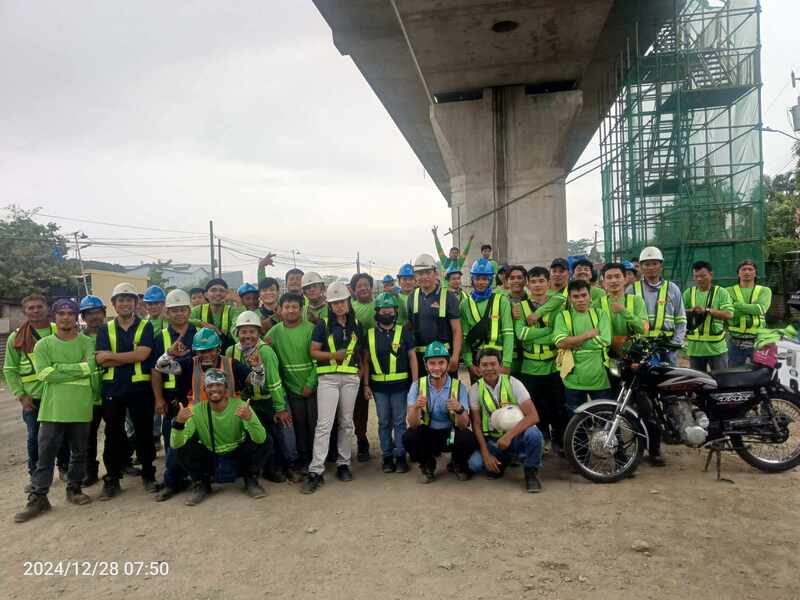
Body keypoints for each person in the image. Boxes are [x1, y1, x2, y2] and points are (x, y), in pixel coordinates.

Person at [14, 299, 97, 523]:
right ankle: (39, 497)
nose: (66, 317)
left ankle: (74, 489)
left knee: (79, 452)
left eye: (70, 313)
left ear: (76, 317)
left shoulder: (87, 342)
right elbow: (44, 374)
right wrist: (77, 368)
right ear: (54, 317)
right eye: (61, 313)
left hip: (80, 406)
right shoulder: (43, 345)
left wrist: (58, 367)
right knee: (45, 455)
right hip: (52, 408)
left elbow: (91, 368)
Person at [171, 369, 269, 505]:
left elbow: (261, 439)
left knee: (267, 439)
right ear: (205, 390)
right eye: (210, 386)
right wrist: (179, 424)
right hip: (211, 455)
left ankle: (251, 478)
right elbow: (176, 445)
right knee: (182, 447)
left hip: (238, 454)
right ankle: (201, 483)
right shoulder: (196, 410)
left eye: (219, 385)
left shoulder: (241, 406)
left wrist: (249, 419)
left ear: (226, 388)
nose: (214, 389)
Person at [95, 282, 155, 500]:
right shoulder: (105, 329)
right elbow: (101, 360)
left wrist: (113, 356)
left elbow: (143, 355)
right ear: (114, 303)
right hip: (113, 389)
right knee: (113, 435)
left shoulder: (145, 326)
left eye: (129, 299)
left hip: (140, 388)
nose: (125, 303)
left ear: (135, 303)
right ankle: (112, 478)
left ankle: (148, 474)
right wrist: (132, 356)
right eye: (121, 300)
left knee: (144, 432)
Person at [302, 282, 364, 493]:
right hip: (328, 378)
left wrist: (360, 375)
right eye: (335, 303)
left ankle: (343, 464)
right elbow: (313, 352)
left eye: (342, 301)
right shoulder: (323, 324)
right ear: (329, 305)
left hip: (350, 378)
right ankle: (316, 470)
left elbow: (362, 353)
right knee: (324, 424)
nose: (339, 306)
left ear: (348, 301)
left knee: (346, 423)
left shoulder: (356, 324)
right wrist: (332, 355)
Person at [227, 311, 301, 483]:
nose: (247, 336)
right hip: (249, 402)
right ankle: (268, 469)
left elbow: (274, 381)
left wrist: (280, 408)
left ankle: (291, 465)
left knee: (284, 433)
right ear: (237, 333)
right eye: (243, 331)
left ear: (259, 333)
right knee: (261, 436)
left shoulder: (265, 351)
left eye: (252, 331)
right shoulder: (231, 351)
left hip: (271, 399)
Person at [4, 293, 70, 486]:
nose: (35, 310)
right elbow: (10, 369)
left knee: (62, 435)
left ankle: (64, 468)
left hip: (59, 394)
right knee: (35, 437)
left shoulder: (59, 330)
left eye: (39, 306)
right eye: (31, 308)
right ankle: (35, 473)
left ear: (47, 308)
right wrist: (20, 395)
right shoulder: (16, 337)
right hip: (33, 397)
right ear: (25, 312)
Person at [467, 349, 544, 492]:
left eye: (493, 364)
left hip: (516, 437)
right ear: (478, 368)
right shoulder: (474, 389)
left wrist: (509, 436)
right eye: (484, 365)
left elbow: (533, 416)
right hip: (493, 441)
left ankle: (531, 472)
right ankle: (504, 461)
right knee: (474, 464)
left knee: (533, 434)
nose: (489, 368)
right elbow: (476, 425)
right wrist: (486, 454)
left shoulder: (513, 383)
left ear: (501, 365)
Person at [512, 267, 567, 454]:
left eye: (541, 281)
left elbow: (558, 336)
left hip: (553, 365)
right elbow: (521, 334)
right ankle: (540, 441)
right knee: (535, 407)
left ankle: (560, 441)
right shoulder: (521, 307)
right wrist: (548, 332)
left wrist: (537, 334)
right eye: (533, 281)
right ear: (528, 284)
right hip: (529, 367)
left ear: (548, 283)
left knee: (557, 406)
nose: (537, 285)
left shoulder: (557, 304)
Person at [402, 342, 475, 483]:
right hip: (429, 433)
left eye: (441, 362)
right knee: (409, 437)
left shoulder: (459, 386)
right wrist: (416, 407)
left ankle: (457, 462)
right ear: (426, 365)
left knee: (467, 438)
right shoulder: (417, 386)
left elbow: (463, 425)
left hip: (450, 435)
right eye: (432, 363)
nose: (436, 367)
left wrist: (459, 409)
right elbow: (412, 424)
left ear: (448, 364)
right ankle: (427, 463)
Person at [362, 293, 418, 473]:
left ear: (395, 311)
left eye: (390, 310)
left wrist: (415, 384)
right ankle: (387, 456)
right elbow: (365, 362)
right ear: (377, 312)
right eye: (383, 311)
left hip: (400, 387)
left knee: (400, 422)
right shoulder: (369, 335)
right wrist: (366, 385)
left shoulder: (404, 333)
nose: (387, 313)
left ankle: (400, 456)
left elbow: (412, 358)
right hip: (379, 388)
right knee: (384, 422)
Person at [150, 289, 198, 501]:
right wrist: (159, 398)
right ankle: (173, 480)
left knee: (196, 437)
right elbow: (155, 370)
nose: (179, 313)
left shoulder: (199, 333)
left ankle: (196, 477)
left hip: (194, 393)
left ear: (189, 311)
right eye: (174, 310)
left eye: (182, 309)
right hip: (170, 396)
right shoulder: (160, 337)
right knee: (172, 437)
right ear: (167, 313)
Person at [266, 293, 318, 471]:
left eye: (295, 307)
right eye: (287, 307)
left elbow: (319, 361)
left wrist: (310, 383)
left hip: (312, 389)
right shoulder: (275, 332)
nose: (291, 310)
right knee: (298, 425)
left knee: (315, 425)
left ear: (301, 309)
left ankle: (317, 459)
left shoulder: (311, 329)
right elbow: (263, 349)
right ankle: (303, 459)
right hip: (291, 390)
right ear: (280, 310)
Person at [553, 280, 612, 415]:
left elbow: (605, 341)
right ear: (570, 299)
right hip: (572, 378)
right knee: (576, 420)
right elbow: (560, 342)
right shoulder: (563, 316)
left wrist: (572, 342)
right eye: (576, 296)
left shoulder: (601, 314)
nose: (580, 300)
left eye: (584, 295)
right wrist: (587, 335)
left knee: (604, 417)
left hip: (599, 377)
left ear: (590, 296)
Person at [628, 246, 686, 365]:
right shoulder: (632, 290)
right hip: (640, 346)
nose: (651, 267)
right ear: (641, 267)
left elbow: (681, 320)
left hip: (667, 347)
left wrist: (675, 344)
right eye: (647, 264)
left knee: (668, 376)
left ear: (661, 265)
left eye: (654, 263)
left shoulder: (672, 289)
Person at [406, 253, 462, 376]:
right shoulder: (411, 298)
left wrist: (455, 356)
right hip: (421, 359)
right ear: (415, 276)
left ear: (435, 273)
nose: (424, 276)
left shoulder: (449, 297)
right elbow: (409, 329)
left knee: (448, 388)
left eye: (428, 272)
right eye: (420, 273)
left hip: (443, 357)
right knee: (423, 389)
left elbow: (457, 330)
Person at [461, 258, 514, 377]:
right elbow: (465, 337)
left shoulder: (502, 301)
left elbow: (508, 333)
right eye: (477, 278)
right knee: (478, 389)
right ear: (472, 279)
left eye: (485, 279)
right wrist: (469, 364)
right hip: (476, 358)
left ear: (490, 280)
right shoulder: (464, 304)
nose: (481, 282)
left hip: (498, 357)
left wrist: (506, 363)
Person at [683, 261, 733, 373]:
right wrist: (691, 311)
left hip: (717, 349)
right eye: (696, 276)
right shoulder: (688, 293)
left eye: (703, 276)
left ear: (711, 274)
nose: (699, 279)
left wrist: (707, 310)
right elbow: (680, 314)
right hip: (695, 350)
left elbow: (729, 314)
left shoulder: (721, 292)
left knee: (721, 381)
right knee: (697, 382)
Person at [78, 295, 107, 487]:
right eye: (89, 313)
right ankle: (90, 471)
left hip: (111, 392)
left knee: (117, 432)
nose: (94, 316)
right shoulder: (78, 339)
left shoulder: (111, 334)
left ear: (104, 313)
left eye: (97, 312)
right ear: (83, 317)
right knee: (87, 436)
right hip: (88, 396)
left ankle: (122, 463)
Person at [596, 262, 649, 356]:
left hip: (632, 354)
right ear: (604, 282)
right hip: (605, 355)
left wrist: (623, 311)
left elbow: (644, 329)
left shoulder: (636, 301)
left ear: (625, 279)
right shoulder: (597, 304)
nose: (613, 281)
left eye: (617, 276)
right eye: (609, 277)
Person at [727, 259, 772, 367]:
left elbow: (760, 309)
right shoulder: (728, 291)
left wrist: (736, 305)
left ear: (755, 273)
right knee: (734, 373)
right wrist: (752, 308)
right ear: (738, 273)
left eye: (750, 269)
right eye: (743, 269)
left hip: (758, 340)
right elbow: (729, 312)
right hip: (735, 341)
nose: (747, 272)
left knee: (761, 373)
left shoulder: (765, 290)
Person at [349, 272, 375, 461]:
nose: (363, 288)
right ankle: (361, 438)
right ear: (353, 290)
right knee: (359, 405)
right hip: (360, 359)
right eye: (359, 286)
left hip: (382, 361)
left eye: (366, 284)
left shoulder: (380, 304)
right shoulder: (350, 308)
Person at [190, 278, 235, 350]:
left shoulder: (232, 311)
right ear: (206, 295)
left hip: (225, 350)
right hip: (202, 351)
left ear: (227, 294)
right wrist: (201, 323)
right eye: (213, 290)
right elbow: (183, 319)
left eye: (222, 290)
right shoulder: (197, 310)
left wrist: (238, 302)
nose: (218, 293)